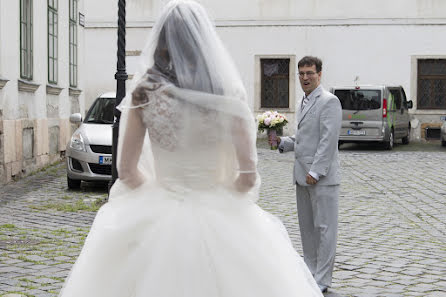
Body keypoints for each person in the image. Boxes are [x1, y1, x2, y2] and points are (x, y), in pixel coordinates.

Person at [58, 2, 323, 297]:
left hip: (160, 208)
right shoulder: (227, 92)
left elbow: (128, 171)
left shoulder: (145, 92)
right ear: (204, 40)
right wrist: (220, 196)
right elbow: (248, 177)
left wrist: (160, 192)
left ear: (161, 41)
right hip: (220, 211)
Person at [277, 56, 342, 293]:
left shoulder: (329, 102)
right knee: (307, 229)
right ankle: (310, 272)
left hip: (322, 178)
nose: (305, 77)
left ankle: (323, 280)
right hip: (301, 176)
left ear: (320, 74)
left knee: (325, 230)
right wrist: (284, 142)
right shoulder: (304, 102)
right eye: (301, 73)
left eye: (310, 73)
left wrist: (316, 171)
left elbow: (328, 140)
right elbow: (305, 139)